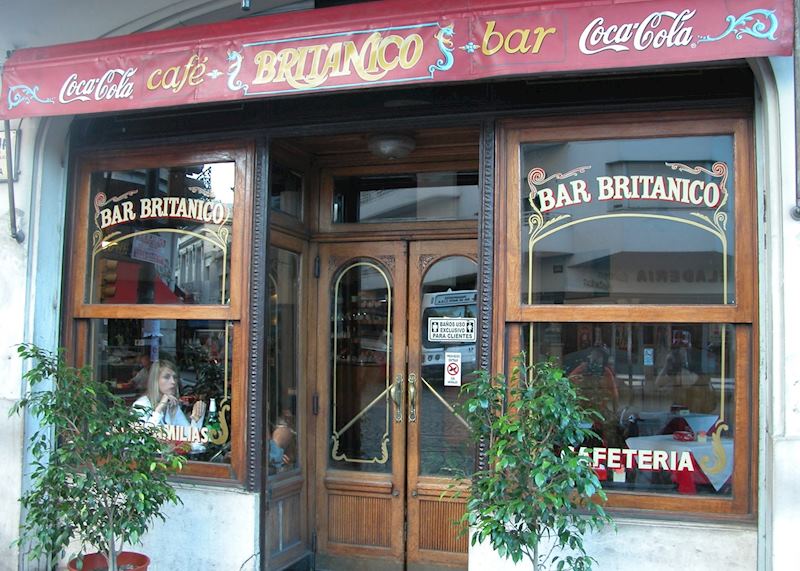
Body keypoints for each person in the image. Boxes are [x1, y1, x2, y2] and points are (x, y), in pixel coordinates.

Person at [133, 359, 206, 428]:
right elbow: (140, 439)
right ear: (155, 381)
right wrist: (159, 409)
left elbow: (188, 437)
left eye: (175, 377)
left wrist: (197, 418)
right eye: (166, 377)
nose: (173, 382)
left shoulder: (172, 406)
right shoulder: (141, 405)